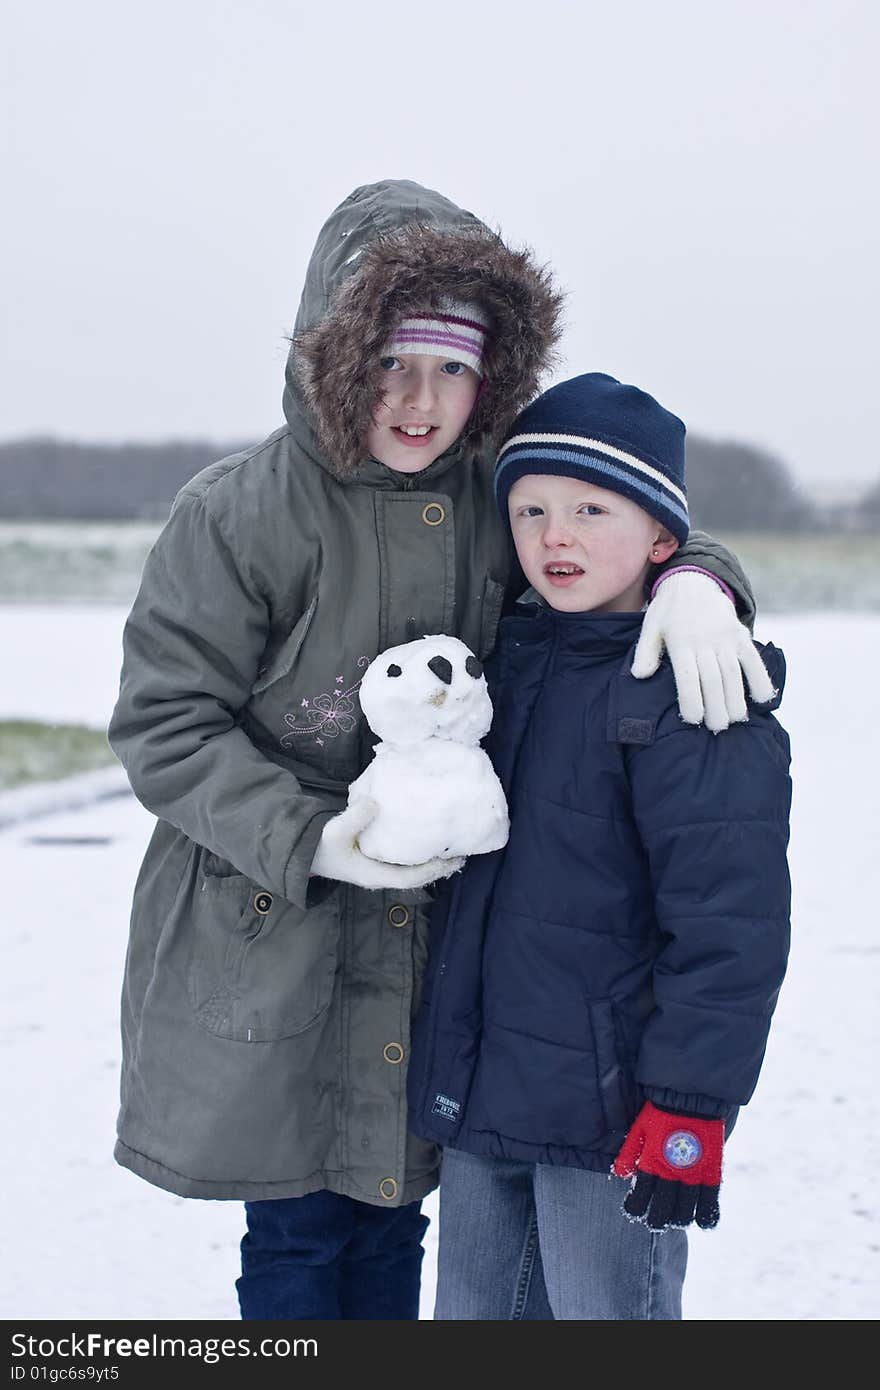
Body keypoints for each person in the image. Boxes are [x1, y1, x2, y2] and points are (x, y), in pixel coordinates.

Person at [107, 180, 775, 1321]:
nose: (422, 401)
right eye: (390, 364)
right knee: (302, 1230)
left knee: (395, 1216)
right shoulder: (239, 512)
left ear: (493, 374)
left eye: (455, 368)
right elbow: (165, 720)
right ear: (336, 351)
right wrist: (314, 836)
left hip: (440, 946)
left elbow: (615, 514)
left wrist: (702, 576)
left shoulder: (497, 492)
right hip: (284, 927)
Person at [407, 371, 792, 1321]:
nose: (555, 536)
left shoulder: (694, 692)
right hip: (484, 1093)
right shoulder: (502, 667)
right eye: (530, 509)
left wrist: (689, 1113)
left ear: (663, 537)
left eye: (589, 508)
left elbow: (730, 927)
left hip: (616, 1116)